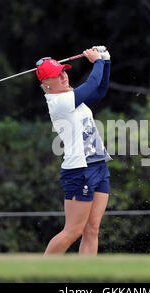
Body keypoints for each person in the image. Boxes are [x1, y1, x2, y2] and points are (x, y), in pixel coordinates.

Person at [37, 46, 112, 255]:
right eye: (55, 75)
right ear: (46, 84)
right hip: (79, 170)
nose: (62, 76)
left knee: (92, 229)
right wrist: (97, 62)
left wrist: (106, 62)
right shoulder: (59, 102)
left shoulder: (71, 95)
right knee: (73, 230)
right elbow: (92, 84)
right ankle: (39, 274)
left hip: (98, 165)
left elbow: (100, 90)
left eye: (63, 71)